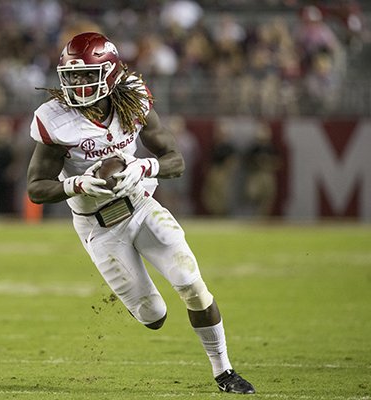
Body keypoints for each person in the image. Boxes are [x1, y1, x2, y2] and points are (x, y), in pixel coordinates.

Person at [26, 32, 255, 394]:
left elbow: (175, 161)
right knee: (153, 316)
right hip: (98, 227)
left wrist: (143, 168)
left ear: (111, 73)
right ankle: (147, 308)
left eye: (87, 75)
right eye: (72, 75)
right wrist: (77, 185)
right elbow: (36, 188)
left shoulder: (132, 99)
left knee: (191, 283)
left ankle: (224, 371)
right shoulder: (56, 119)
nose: (78, 83)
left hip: (141, 207)